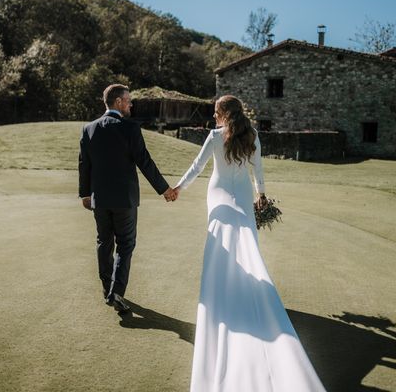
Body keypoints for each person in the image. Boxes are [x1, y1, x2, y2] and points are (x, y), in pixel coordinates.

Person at [173, 95, 326, 391]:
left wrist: (179, 187)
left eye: (215, 111)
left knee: (221, 240)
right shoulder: (252, 135)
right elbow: (258, 170)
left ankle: (223, 289)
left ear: (221, 113)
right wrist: (261, 195)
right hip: (242, 194)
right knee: (246, 239)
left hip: (217, 193)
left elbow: (197, 165)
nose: (214, 115)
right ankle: (247, 287)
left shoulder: (215, 136)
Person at [79, 84, 177, 314]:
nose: (131, 104)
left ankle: (108, 290)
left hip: (100, 199)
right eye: (128, 100)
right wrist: (164, 190)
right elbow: (144, 161)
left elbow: (84, 164)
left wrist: (85, 193)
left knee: (104, 242)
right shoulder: (130, 128)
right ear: (118, 102)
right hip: (125, 200)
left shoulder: (89, 129)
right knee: (125, 245)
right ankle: (117, 292)